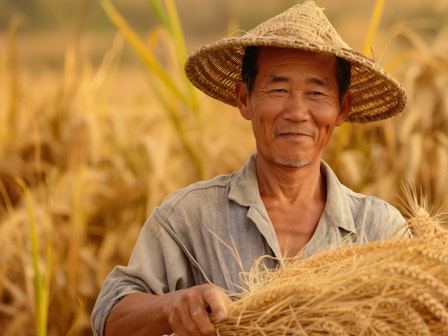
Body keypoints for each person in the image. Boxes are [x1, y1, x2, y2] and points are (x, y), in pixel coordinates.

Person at [91, 1, 409, 335]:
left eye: (316, 92)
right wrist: (170, 307)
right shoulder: (188, 217)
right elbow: (110, 315)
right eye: (279, 89)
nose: (297, 112)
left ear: (342, 109)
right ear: (245, 99)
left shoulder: (380, 230)